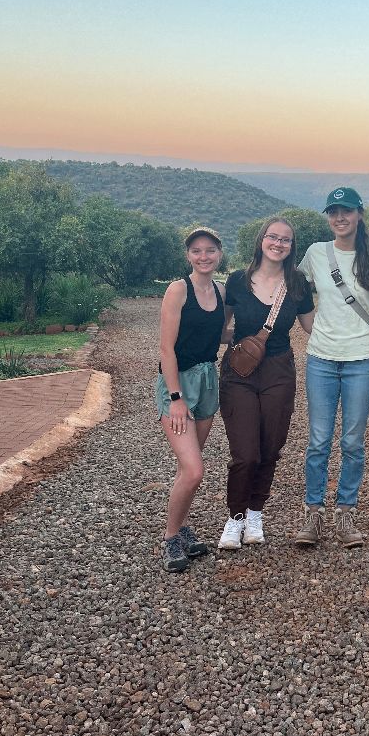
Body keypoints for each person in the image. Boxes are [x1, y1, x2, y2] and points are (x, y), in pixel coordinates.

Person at [294, 187, 369, 548]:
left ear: (359, 214)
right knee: (318, 441)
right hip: (321, 357)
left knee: (352, 441)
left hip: (362, 359)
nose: (339, 218)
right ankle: (313, 514)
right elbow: (297, 289)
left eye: (346, 211)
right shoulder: (316, 253)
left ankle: (346, 513)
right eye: (333, 212)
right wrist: (308, 324)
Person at [218, 217, 314, 548]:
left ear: (292, 246)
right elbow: (220, 326)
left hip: (279, 370)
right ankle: (235, 517)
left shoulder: (298, 283)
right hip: (239, 372)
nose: (278, 243)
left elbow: (314, 327)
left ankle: (255, 511)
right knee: (245, 452)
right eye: (273, 237)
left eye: (285, 239)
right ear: (261, 240)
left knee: (270, 448)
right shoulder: (236, 281)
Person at [157, 227, 228, 573]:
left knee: (188, 467)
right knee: (195, 470)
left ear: (219, 253)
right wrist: (175, 398)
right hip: (179, 384)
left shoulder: (221, 290)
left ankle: (182, 527)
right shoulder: (178, 290)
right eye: (197, 251)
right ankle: (171, 538)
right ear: (188, 255)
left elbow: (220, 332)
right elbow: (166, 348)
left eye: (210, 250)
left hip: (208, 381)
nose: (204, 256)